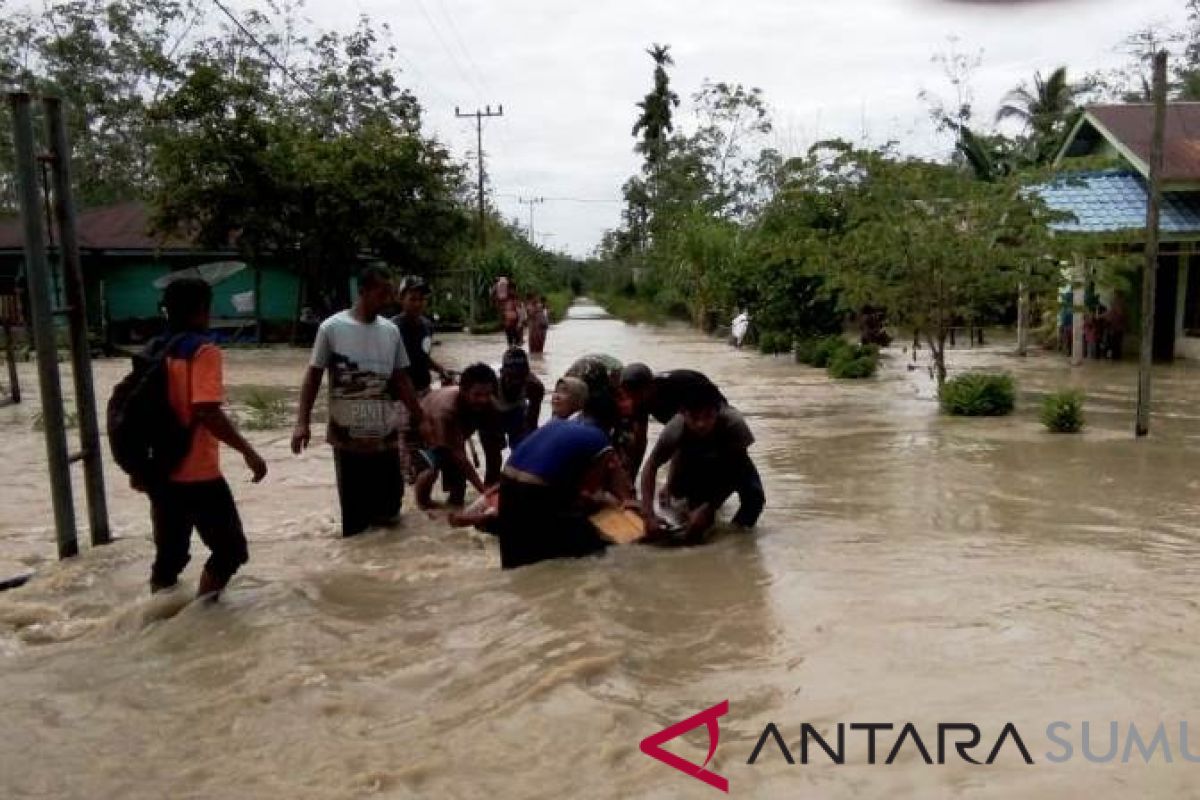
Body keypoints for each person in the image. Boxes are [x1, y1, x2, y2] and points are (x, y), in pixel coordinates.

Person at [143, 277, 267, 599]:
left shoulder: (154, 350)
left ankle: (157, 627)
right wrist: (249, 452)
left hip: (161, 470)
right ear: (202, 309)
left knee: (168, 560)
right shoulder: (204, 351)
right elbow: (207, 411)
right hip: (198, 473)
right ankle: (204, 616)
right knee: (231, 551)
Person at [291, 267, 424, 538]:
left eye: (389, 294)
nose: (386, 300)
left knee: (390, 512)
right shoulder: (331, 328)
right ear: (362, 292)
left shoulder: (390, 332)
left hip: (384, 437)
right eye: (381, 293)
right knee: (355, 521)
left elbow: (401, 379)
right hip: (347, 438)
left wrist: (421, 417)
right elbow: (313, 377)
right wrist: (301, 422)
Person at [494, 393, 635, 569]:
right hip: (537, 492)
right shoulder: (600, 440)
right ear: (612, 423)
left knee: (515, 566)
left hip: (507, 484)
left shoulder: (556, 424)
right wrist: (612, 504)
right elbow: (589, 494)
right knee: (591, 553)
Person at [640, 380, 764, 542]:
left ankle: (735, 539)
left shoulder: (735, 425)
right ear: (683, 413)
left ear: (717, 411)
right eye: (694, 417)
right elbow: (650, 466)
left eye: (708, 416)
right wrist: (649, 515)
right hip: (693, 459)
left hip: (729, 459)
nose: (701, 424)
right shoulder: (674, 430)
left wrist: (709, 506)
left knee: (754, 496)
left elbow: (735, 470)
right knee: (688, 507)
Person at [616, 366, 727, 482]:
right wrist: (631, 479)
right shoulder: (639, 400)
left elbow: (682, 437)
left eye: (637, 394)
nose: (634, 400)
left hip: (709, 405)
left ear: (651, 386)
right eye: (630, 395)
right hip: (684, 418)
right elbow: (640, 441)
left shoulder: (674, 388)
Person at [391, 275, 452, 482]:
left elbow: (423, 356)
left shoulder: (427, 325)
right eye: (413, 298)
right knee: (403, 438)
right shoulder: (392, 329)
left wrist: (440, 369)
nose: (418, 303)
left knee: (426, 435)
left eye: (421, 299)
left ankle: (420, 480)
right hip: (399, 394)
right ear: (401, 298)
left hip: (424, 389)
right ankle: (405, 480)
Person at [415, 363, 500, 509]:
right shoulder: (447, 411)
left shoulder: (489, 405)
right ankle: (423, 507)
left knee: (458, 495)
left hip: (452, 436)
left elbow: (493, 448)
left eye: (487, 394)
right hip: (420, 430)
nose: (484, 400)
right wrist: (484, 491)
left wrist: (493, 488)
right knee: (430, 469)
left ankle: (447, 518)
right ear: (463, 391)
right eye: (477, 395)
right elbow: (458, 455)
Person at [493, 347, 545, 450]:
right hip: (492, 414)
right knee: (494, 453)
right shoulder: (491, 383)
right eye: (511, 377)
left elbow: (532, 423)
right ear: (502, 372)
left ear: (527, 374)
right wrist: (497, 434)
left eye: (520, 377)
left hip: (517, 413)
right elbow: (482, 414)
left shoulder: (534, 386)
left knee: (523, 448)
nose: (516, 382)